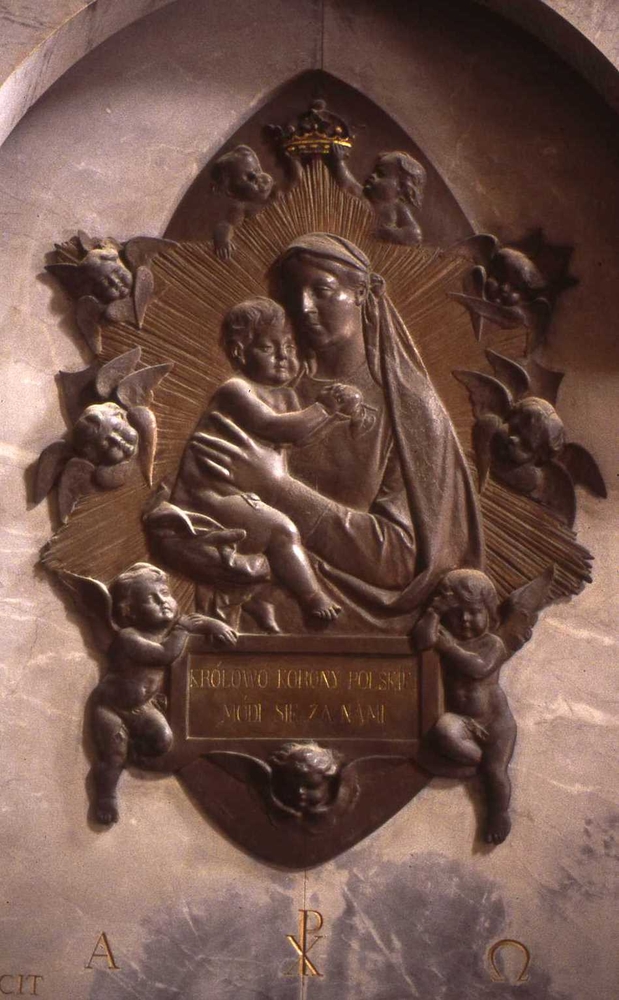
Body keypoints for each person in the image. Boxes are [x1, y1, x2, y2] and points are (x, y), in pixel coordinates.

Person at [185, 233, 483, 629]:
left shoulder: (409, 409)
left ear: (361, 294)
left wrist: (277, 488)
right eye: (294, 294)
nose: (304, 307)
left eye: (322, 290)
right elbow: (202, 498)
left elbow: (402, 560)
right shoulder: (263, 394)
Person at [173, 295, 365, 626]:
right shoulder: (236, 390)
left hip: (252, 493)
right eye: (268, 348)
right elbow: (274, 428)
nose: (282, 357)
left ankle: (265, 598)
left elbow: (299, 437)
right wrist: (324, 410)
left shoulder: (288, 396)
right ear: (239, 352)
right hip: (212, 494)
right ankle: (312, 597)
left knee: (304, 532)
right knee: (281, 530)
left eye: (289, 348)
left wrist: (335, 416)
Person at [91, 563, 237, 825]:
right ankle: (106, 795)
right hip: (112, 707)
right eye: (151, 598)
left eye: (165, 594)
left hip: (143, 706)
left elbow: (197, 622)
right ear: (129, 610)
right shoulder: (129, 637)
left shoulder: (169, 631)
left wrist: (215, 626)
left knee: (162, 740)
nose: (164, 602)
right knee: (112, 757)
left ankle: (130, 749)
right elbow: (164, 655)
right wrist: (182, 630)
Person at [413, 569, 515, 844]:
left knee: (497, 773)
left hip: (495, 721)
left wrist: (448, 649)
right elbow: (422, 641)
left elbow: (478, 668)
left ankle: (499, 812)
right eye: (456, 612)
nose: (465, 619)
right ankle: (477, 763)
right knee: (444, 732)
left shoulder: (491, 643)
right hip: (462, 720)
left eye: (473, 611)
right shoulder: (446, 635)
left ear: (489, 611)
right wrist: (434, 612)